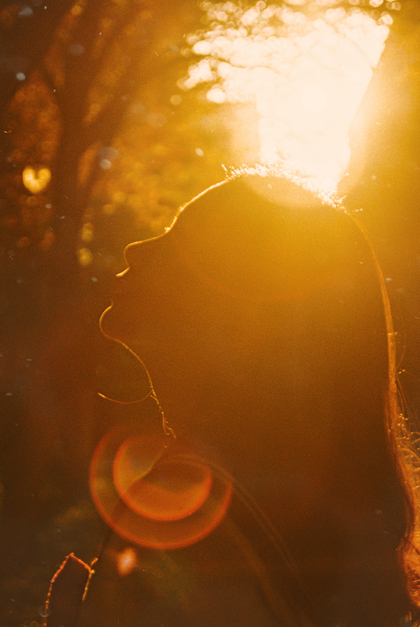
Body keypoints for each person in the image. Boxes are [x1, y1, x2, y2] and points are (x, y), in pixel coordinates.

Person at [95, 170, 415, 627]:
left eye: (182, 242)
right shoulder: (277, 509)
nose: (135, 249)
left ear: (240, 317)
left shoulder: (198, 517)